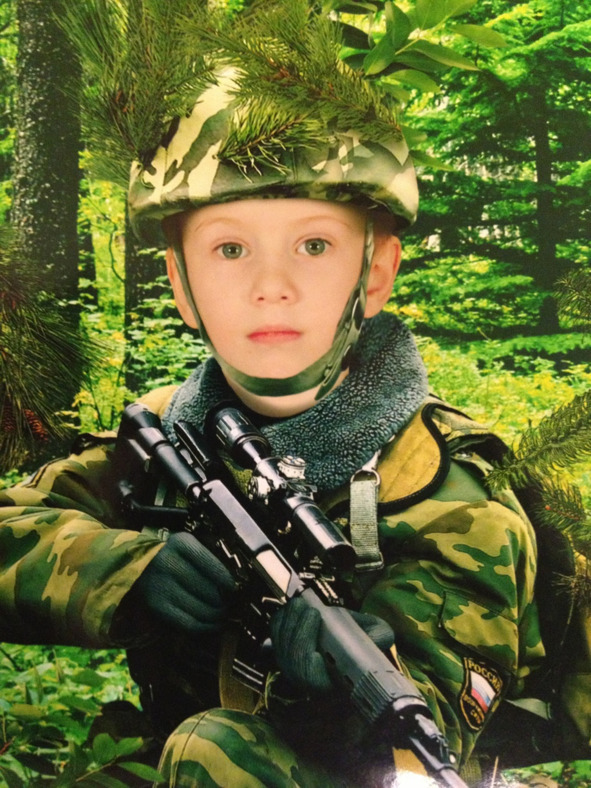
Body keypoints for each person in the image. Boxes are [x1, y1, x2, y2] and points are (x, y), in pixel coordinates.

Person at [0, 68, 549, 787]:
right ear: (181, 285)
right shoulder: (171, 433)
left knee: (214, 749)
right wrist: (126, 570)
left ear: (375, 273)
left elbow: (425, 748)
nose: (271, 286)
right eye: (230, 250)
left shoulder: (445, 493)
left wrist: (343, 698)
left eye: (313, 246)